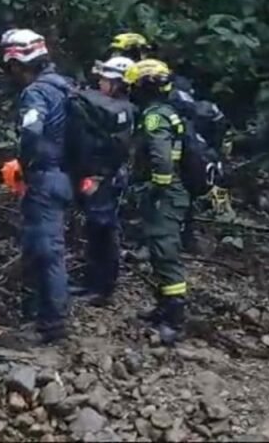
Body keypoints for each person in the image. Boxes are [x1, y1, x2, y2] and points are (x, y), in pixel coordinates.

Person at [109, 32, 228, 251]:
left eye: (125, 52)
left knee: (165, 194)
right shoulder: (137, 79)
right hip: (162, 146)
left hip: (174, 148)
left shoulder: (158, 84)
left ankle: (163, 243)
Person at [0, 28, 72, 344]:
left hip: (44, 176)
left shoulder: (36, 93)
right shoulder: (64, 86)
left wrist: (23, 165)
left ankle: (53, 324)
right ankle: (34, 309)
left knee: (48, 250)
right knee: (37, 244)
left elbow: (31, 132)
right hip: (64, 176)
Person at [124, 59, 190, 345]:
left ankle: (175, 320)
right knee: (157, 249)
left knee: (165, 251)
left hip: (167, 193)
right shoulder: (165, 111)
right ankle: (163, 307)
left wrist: (155, 189)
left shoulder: (154, 117)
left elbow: (161, 159)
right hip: (170, 191)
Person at [70, 56, 136, 306]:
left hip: (107, 178)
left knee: (103, 230)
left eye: (106, 80)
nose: (101, 83)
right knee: (94, 230)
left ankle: (102, 287)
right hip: (99, 176)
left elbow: (113, 148)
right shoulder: (112, 107)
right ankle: (91, 282)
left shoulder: (122, 110)